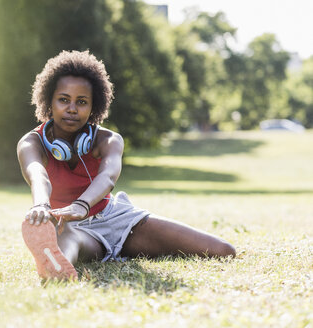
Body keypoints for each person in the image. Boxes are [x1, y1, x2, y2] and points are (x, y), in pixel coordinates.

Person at [17, 50, 235, 281]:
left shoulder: (108, 140)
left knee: (223, 251)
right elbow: (38, 174)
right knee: (69, 238)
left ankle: (109, 250)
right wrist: (40, 204)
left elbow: (109, 175)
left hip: (119, 220)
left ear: (94, 107)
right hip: (72, 227)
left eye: (81, 102)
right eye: (63, 99)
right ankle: (56, 267)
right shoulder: (31, 142)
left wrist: (82, 204)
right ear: (49, 101)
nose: (72, 108)